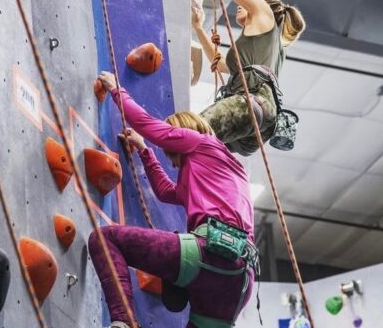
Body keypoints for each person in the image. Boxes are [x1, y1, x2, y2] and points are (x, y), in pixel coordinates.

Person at [89, 71, 258, 328]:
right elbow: (167, 192)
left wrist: (116, 90)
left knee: (105, 238)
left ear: (182, 134)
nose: (173, 162)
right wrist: (145, 152)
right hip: (240, 281)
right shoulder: (227, 172)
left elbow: (147, 124)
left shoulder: (203, 143)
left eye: (172, 155)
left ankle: (123, 321)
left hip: (209, 252)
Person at [192, 0, 306, 155]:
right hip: (256, 125)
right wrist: (199, 28)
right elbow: (218, 64)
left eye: (246, 2)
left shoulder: (265, 13)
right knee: (199, 151)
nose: (239, 5)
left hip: (250, 106)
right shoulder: (265, 50)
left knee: (191, 131)